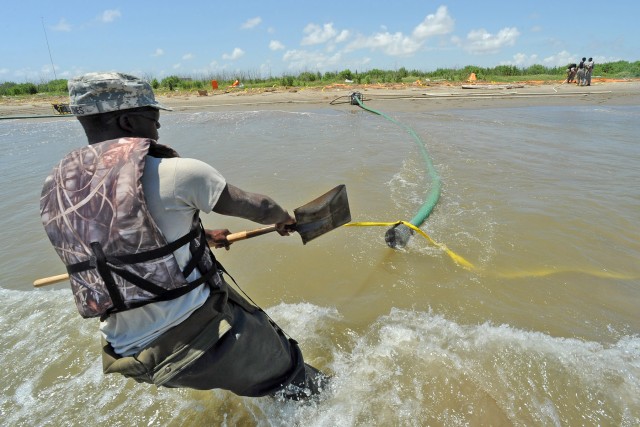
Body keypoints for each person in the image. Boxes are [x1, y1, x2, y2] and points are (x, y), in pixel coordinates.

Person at [39, 72, 327, 400]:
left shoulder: (58, 188)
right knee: (299, 380)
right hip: (197, 337)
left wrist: (199, 236)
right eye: (154, 118)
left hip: (131, 355)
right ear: (127, 121)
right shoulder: (178, 173)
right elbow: (258, 206)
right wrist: (283, 220)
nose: (158, 128)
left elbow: (128, 239)